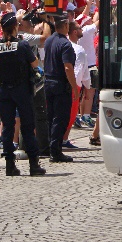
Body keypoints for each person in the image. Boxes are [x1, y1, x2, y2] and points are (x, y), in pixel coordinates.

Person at [0, 12, 46, 176]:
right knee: (28, 126)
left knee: (8, 127)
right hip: (22, 89)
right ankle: (33, 164)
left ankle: (10, 165)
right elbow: (35, 63)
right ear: (16, 27)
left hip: (4, 90)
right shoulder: (22, 45)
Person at [44, 15, 79, 162]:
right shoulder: (66, 44)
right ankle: (55, 150)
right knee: (61, 118)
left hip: (48, 82)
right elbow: (68, 67)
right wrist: (74, 87)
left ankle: (51, 146)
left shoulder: (49, 40)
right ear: (64, 26)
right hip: (60, 85)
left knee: (51, 117)